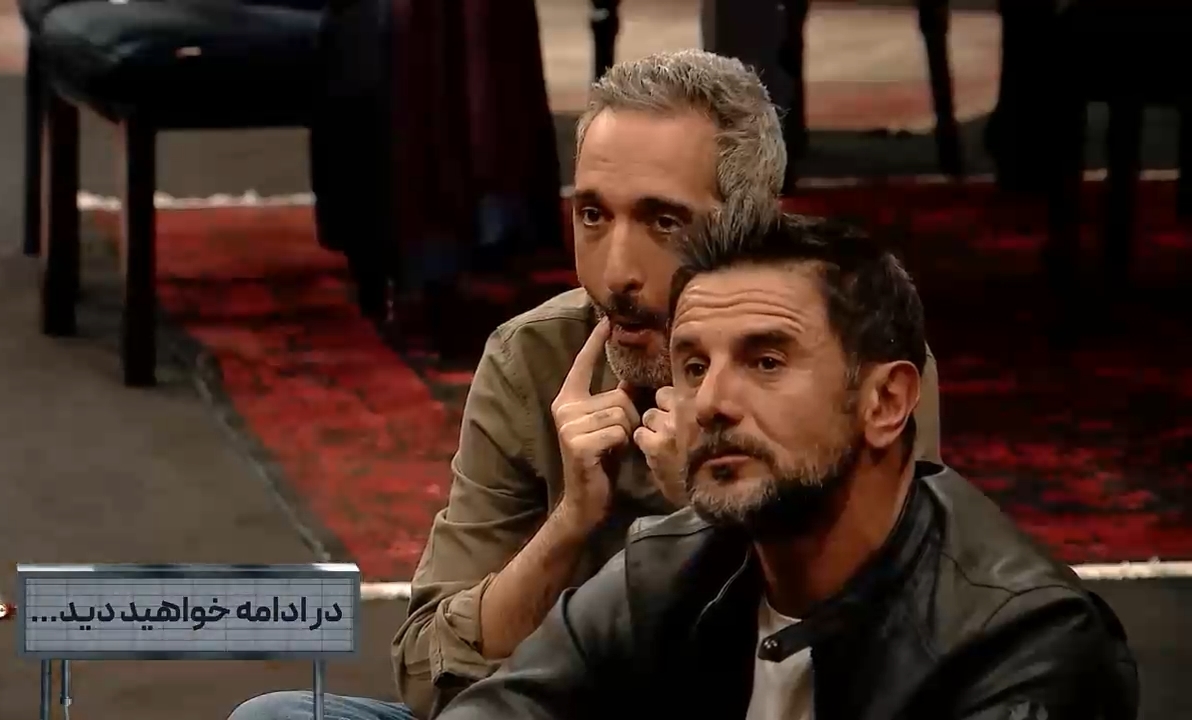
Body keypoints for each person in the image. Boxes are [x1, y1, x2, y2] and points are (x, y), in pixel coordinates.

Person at [227, 50, 944, 720]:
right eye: (593, 215)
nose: (615, 273)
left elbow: (889, 667)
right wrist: (569, 521)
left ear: (755, 226)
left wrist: (703, 511)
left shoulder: (853, 365)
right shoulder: (533, 357)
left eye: (664, 221)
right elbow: (430, 673)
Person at [435, 213, 1140, 720]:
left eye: (766, 362)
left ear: (886, 402)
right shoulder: (664, 571)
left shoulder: (1021, 642)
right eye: (693, 366)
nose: (711, 402)